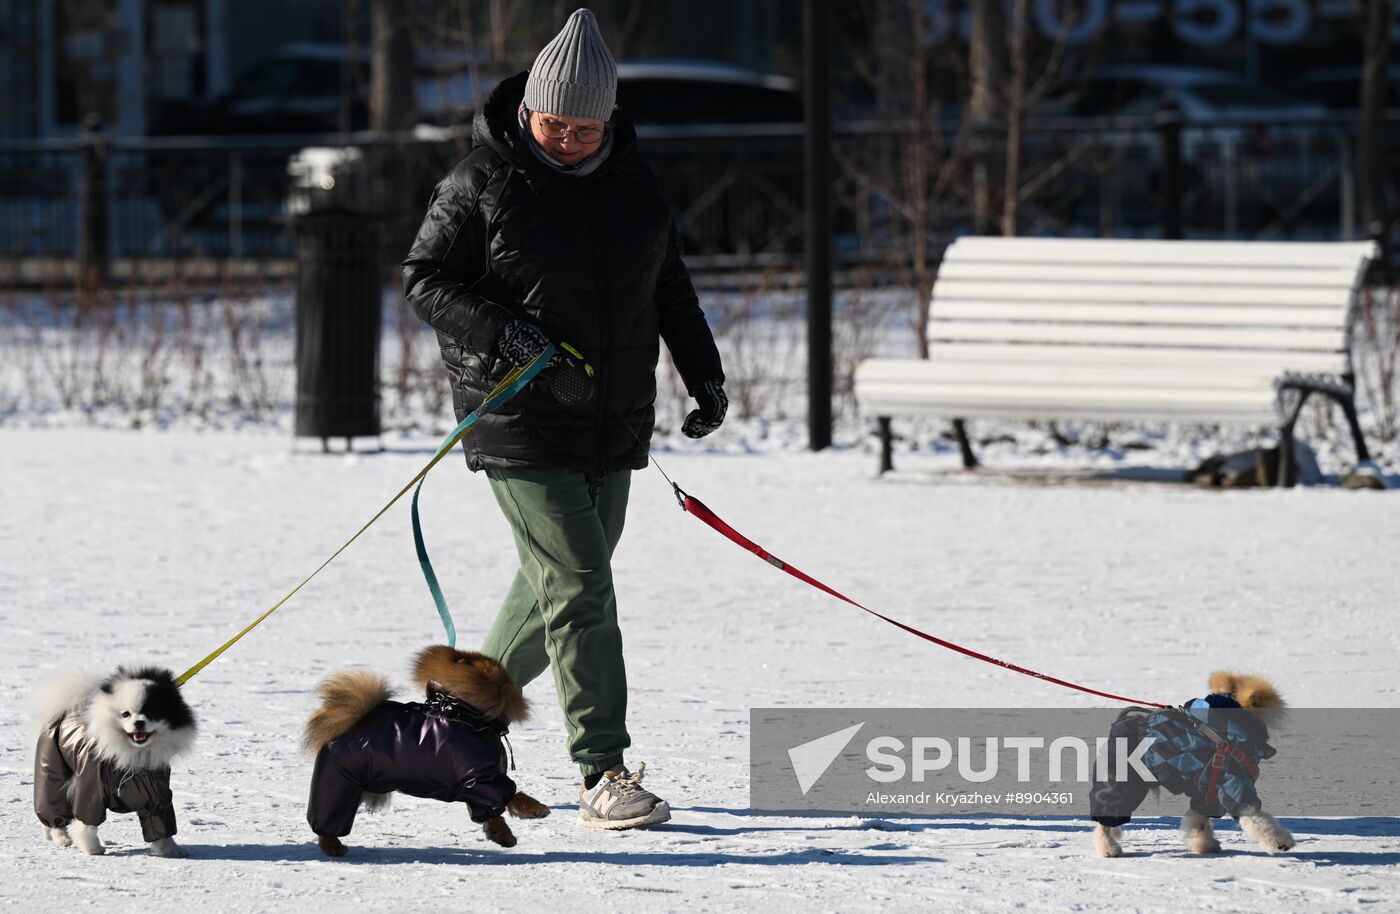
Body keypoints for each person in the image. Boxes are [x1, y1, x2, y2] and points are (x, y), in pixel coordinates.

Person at [402, 8, 726, 831]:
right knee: (580, 585)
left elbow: (669, 286)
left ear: (609, 120)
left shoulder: (633, 184)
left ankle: (454, 723)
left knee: (557, 586)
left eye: (587, 128)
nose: (570, 140)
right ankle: (602, 770)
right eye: (555, 125)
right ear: (527, 111)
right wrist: (506, 334)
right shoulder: (481, 179)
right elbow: (425, 279)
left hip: (612, 417)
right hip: (517, 416)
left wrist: (704, 373)